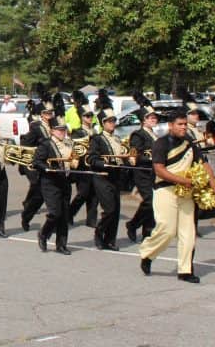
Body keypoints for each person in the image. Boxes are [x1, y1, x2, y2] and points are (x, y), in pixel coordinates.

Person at [138, 109, 215, 283]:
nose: (183, 128)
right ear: (170, 125)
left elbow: (203, 164)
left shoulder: (190, 143)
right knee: (167, 229)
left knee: (188, 233)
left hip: (186, 193)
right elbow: (159, 169)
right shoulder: (161, 143)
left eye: (185, 124)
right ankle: (148, 254)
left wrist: (213, 185)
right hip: (165, 190)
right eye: (180, 125)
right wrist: (182, 180)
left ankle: (185, 270)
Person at [88, 108, 130, 250]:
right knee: (109, 209)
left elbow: (122, 157)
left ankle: (110, 240)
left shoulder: (117, 139)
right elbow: (91, 158)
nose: (112, 123)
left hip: (116, 177)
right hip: (102, 177)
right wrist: (104, 164)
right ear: (102, 123)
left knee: (116, 210)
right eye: (109, 121)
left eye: (113, 121)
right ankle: (99, 233)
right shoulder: (97, 139)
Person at [34, 115, 73, 254]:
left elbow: (73, 160)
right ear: (51, 131)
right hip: (50, 183)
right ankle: (43, 234)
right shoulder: (46, 144)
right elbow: (37, 161)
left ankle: (61, 245)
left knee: (64, 215)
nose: (62, 132)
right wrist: (47, 168)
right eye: (59, 130)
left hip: (65, 182)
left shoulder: (69, 143)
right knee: (55, 213)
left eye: (64, 129)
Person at [126, 105, 160, 242]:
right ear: (143, 120)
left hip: (154, 172)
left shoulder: (155, 134)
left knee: (155, 202)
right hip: (142, 172)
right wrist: (153, 159)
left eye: (154, 117)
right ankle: (133, 224)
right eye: (150, 117)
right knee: (149, 200)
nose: (153, 119)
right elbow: (135, 155)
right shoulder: (138, 134)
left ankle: (148, 231)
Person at [19, 101, 53, 232]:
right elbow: (26, 144)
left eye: (51, 112)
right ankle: (26, 216)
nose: (49, 115)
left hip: (55, 164)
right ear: (42, 115)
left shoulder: (55, 125)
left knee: (56, 195)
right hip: (41, 164)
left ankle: (56, 221)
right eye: (47, 113)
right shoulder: (36, 127)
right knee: (39, 196)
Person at [68, 105, 99, 228]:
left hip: (94, 166)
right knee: (83, 193)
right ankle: (69, 214)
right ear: (81, 118)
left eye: (91, 116)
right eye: (87, 116)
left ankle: (91, 220)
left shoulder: (96, 132)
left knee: (94, 194)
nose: (90, 118)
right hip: (82, 167)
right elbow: (75, 149)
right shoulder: (77, 132)